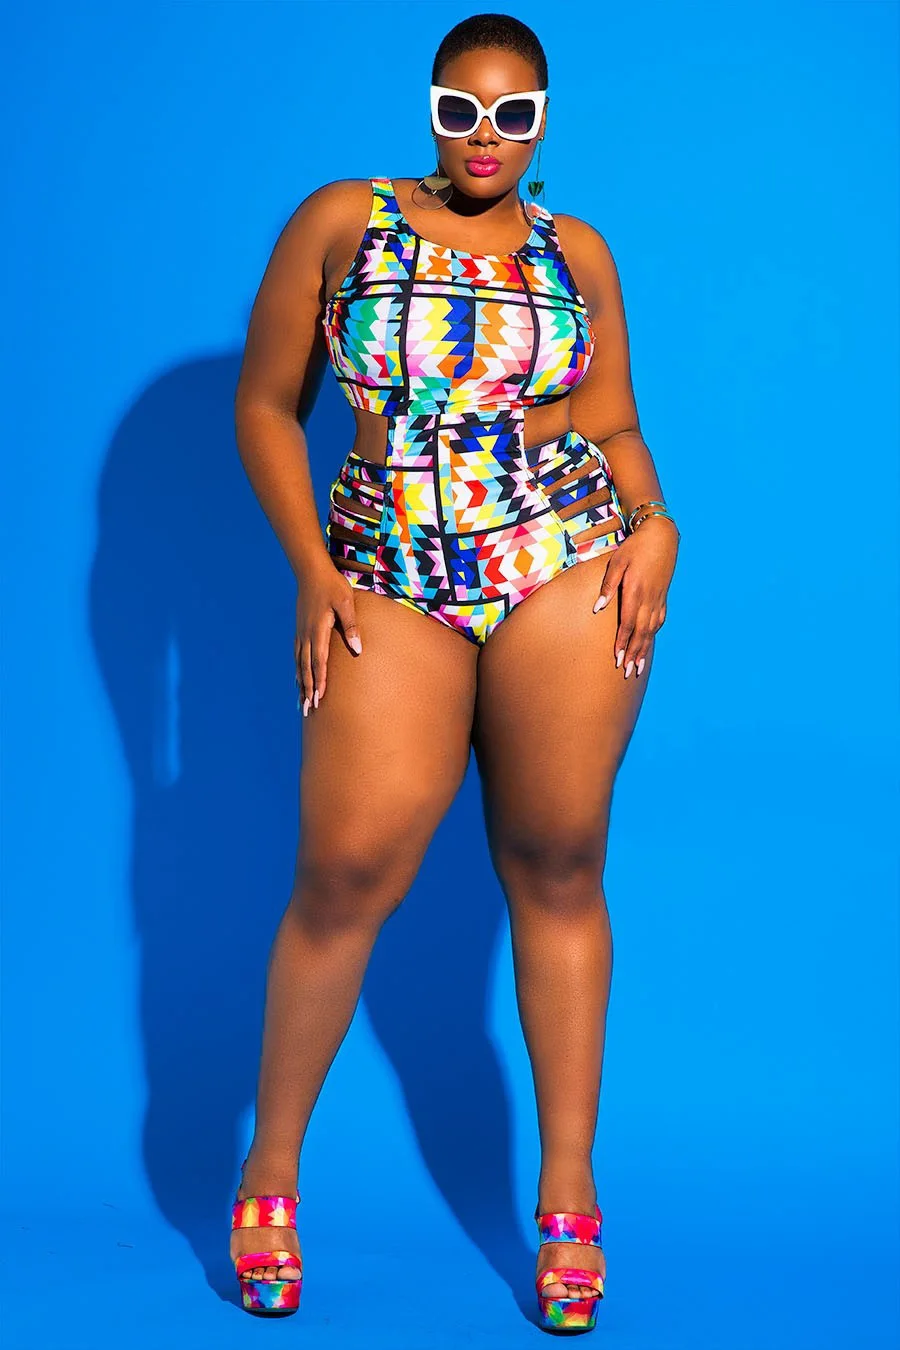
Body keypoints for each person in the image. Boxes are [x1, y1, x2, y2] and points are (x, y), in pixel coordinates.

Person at [229, 10, 679, 1332]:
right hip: (385, 564)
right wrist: (311, 570)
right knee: (347, 868)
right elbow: (265, 404)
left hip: (563, 557)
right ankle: (268, 1173)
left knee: (558, 860)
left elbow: (612, 423)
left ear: (543, 123)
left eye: (514, 114)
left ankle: (570, 1191)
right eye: (462, 109)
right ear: (432, 108)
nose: (487, 136)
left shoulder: (573, 250)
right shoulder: (345, 222)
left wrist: (658, 525)